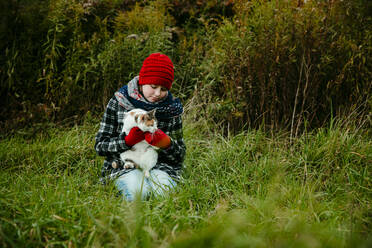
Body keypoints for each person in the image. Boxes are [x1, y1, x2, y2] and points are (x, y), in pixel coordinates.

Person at [94, 53, 186, 201]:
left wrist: (167, 144)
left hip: (160, 167)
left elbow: (179, 155)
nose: (157, 93)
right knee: (138, 193)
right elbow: (100, 146)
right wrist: (126, 142)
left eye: (163, 89)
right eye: (154, 86)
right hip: (124, 166)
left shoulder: (171, 110)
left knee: (164, 194)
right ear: (142, 81)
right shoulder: (119, 102)